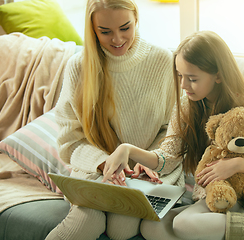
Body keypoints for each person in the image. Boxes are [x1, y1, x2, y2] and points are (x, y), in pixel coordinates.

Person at [103, 31, 244, 240]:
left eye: (192, 78)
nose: (183, 85)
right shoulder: (187, 107)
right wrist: (127, 150)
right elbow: (167, 159)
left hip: (243, 199)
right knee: (152, 227)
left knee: (181, 225)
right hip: (210, 197)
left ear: (218, 75)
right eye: (180, 76)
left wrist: (236, 165)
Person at [45, 0, 183, 239]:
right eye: (105, 32)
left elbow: (172, 132)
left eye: (125, 28)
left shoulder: (162, 61)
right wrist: (105, 164)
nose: (117, 40)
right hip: (97, 168)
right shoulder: (78, 67)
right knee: (86, 221)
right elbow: (70, 140)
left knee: (123, 229)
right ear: (92, 29)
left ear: (136, 19)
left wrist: (143, 160)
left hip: (149, 169)